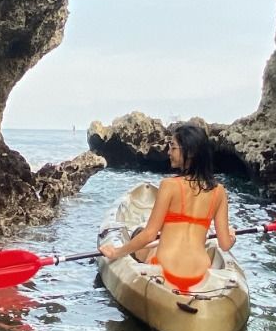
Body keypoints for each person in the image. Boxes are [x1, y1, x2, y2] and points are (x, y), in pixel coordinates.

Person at [98, 123, 234, 294]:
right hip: (199, 273)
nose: (169, 152)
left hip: (166, 269)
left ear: (190, 152)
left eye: (173, 147)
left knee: (144, 245)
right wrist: (232, 236)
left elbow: (149, 235)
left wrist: (117, 252)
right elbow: (225, 244)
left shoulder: (169, 186)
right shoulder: (219, 191)